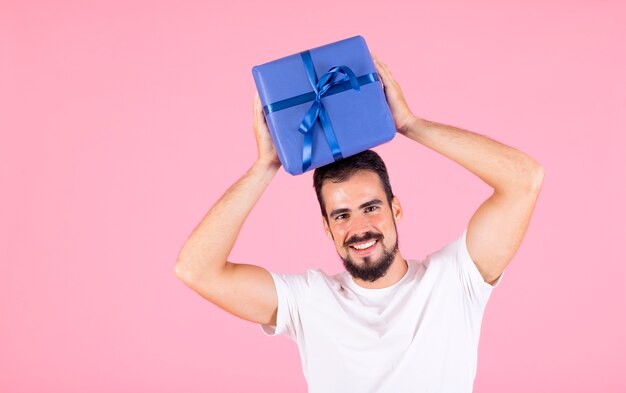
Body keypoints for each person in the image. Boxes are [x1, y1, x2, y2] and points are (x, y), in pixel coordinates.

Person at [175, 55, 544, 393]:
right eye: (342, 215)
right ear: (327, 227)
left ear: (396, 209)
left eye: (371, 208)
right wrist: (265, 166)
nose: (360, 228)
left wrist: (411, 125)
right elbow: (195, 269)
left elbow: (524, 180)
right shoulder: (307, 299)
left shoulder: (455, 278)